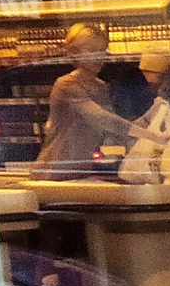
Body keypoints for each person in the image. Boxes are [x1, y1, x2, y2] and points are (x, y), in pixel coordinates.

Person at [34, 22, 154, 175]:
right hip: (56, 169)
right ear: (73, 52)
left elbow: (113, 128)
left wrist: (151, 118)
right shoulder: (66, 84)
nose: (99, 56)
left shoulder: (100, 86)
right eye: (91, 50)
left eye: (102, 50)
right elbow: (103, 119)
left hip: (83, 168)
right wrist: (151, 135)